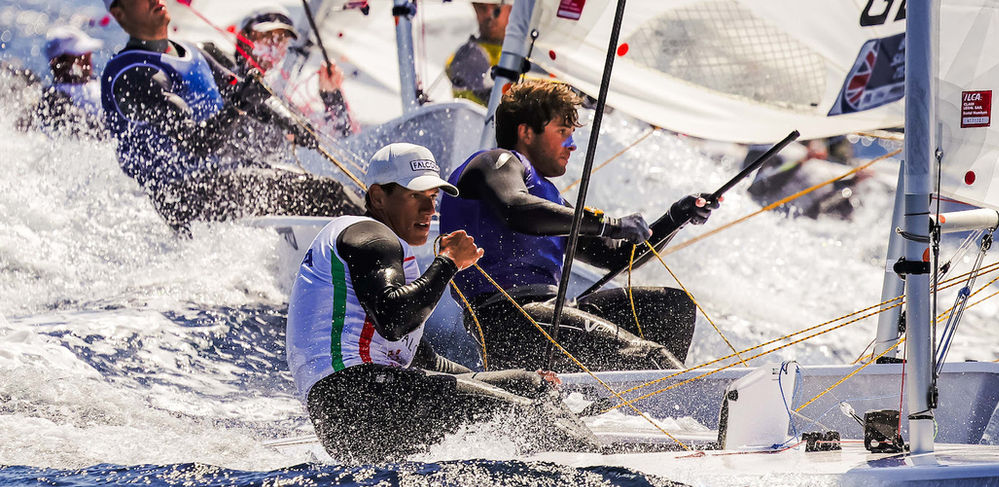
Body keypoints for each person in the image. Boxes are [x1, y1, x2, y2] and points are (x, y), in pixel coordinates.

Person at [287, 142, 599, 463]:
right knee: (531, 420)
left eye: (433, 197)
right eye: (415, 196)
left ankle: (584, 448)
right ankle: (598, 463)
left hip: (355, 410)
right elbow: (395, 320)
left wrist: (502, 382)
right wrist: (448, 261)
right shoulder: (371, 237)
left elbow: (425, 361)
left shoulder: (375, 244)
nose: (429, 209)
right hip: (359, 400)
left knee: (529, 385)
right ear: (378, 197)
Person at [440, 80, 715, 373]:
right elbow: (514, 209)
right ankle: (678, 390)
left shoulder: (550, 199)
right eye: (562, 132)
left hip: (552, 310)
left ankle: (634, 397)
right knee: (648, 357)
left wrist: (676, 217)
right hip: (509, 318)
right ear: (526, 132)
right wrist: (609, 224)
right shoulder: (495, 161)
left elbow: (618, 256)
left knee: (671, 307)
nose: (571, 145)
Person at [99, 0, 361, 233]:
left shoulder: (197, 52)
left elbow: (249, 93)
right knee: (332, 195)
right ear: (119, 13)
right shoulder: (133, 75)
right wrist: (238, 106)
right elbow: (197, 144)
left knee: (333, 189)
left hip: (222, 181)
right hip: (183, 196)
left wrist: (294, 124)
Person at [200, 5, 354, 163]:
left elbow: (338, 137)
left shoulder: (280, 101)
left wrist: (331, 95)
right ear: (245, 37)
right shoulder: (215, 72)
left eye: (282, 40)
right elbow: (199, 145)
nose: (274, 46)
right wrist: (238, 105)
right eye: (267, 36)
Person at [17, 26, 107, 139]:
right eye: (81, 56)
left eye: (88, 55)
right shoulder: (53, 100)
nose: (88, 61)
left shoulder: (99, 84)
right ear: (57, 62)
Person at [446, 0, 511, 105]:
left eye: (496, 7)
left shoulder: (529, 51)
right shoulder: (466, 56)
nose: (489, 14)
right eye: (482, 7)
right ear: (475, 8)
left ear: (512, 8)